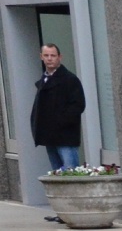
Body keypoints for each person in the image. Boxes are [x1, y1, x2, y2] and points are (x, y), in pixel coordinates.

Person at [31, 43, 86, 171]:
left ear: (59, 57)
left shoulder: (70, 79)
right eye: (46, 55)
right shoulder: (44, 80)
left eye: (53, 55)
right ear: (41, 57)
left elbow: (78, 105)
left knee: (71, 173)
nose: (49, 58)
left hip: (66, 137)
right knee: (57, 175)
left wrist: (59, 122)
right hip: (49, 136)